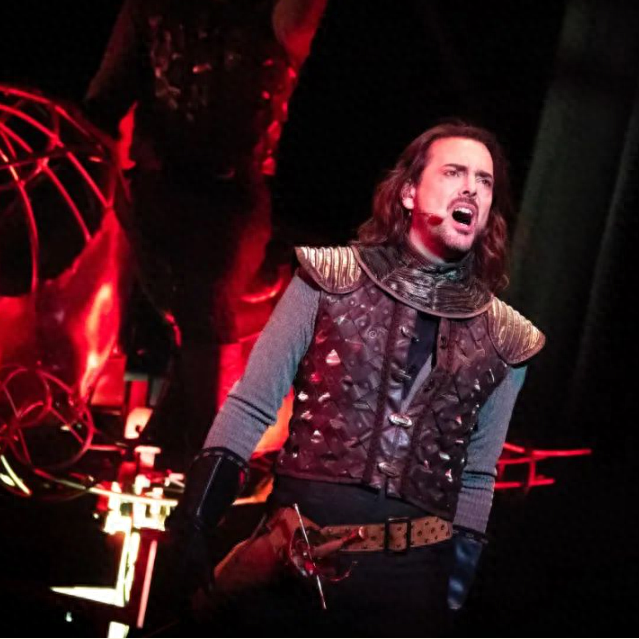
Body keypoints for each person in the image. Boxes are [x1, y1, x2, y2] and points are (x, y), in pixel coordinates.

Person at [170, 122, 546, 635]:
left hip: (408, 589)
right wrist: (196, 516)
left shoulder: (507, 337)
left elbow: (478, 474)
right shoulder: (328, 279)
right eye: (454, 172)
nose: (471, 189)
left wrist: (456, 589)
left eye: (484, 181)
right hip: (293, 563)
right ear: (409, 192)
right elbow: (252, 404)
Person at [83, 0, 328, 463]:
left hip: (231, 198)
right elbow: (104, 101)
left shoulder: (272, 13)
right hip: (155, 191)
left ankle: (212, 452)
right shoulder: (147, 9)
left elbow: (296, 24)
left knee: (206, 293)